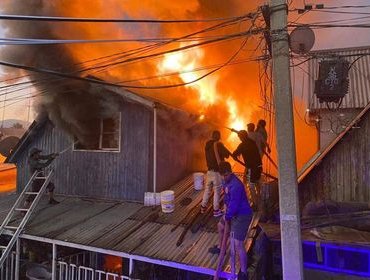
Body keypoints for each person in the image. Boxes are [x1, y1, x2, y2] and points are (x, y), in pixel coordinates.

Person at [209, 161, 252, 280]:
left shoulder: (237, 185)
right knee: (220, 226)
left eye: (226, 175)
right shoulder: (225, 180)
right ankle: (220, 247)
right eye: (222, 175)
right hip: (231, 213)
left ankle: (243, 273)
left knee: (237, 243)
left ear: (230, 172)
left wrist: (227, 216)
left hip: (242, 215)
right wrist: (225, 211)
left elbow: (234, 204)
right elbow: (227, 198)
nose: (224, 177)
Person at [201, 130, 231, 217]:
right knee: (217, 192)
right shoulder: (218, 145)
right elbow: (227, 155)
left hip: (209, 171)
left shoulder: (207, 145)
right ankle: (216, 211)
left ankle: (203, 207)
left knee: (207, 190)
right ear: (218, 137)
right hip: (216, 173)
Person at [232, 130, 262, 209]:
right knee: (257, 183)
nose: (239, 138)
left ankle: (255, 204)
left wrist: (234, 156)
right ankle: (261, 200)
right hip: (259, 166)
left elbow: (234, 154)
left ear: (242, 137)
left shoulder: (243, 145)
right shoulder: (252, 142)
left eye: (239, 137)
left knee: (251, 185)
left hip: (252, 168)